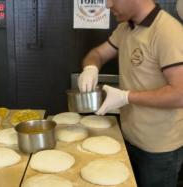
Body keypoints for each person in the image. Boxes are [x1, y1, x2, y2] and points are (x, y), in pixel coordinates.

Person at [78, 0, 183, 186]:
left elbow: (180, 94)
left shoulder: (168, 32)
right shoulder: (126, 29)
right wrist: (90, 68)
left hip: (158, 151)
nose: (108, 5)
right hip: (128, 139)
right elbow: (98, 54)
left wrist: (125, 97)